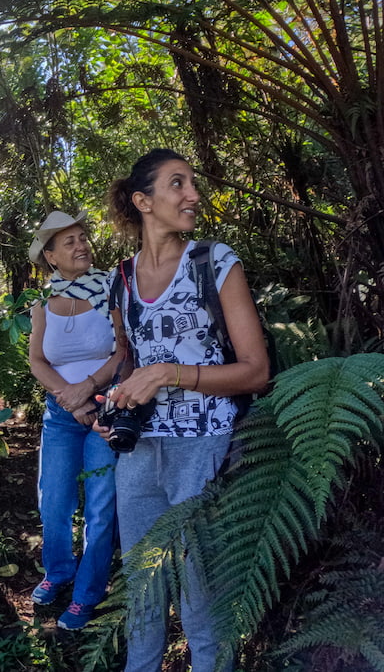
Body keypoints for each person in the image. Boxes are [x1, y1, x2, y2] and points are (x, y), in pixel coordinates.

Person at [104, 149, 268, 672]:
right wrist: (113, 399)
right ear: (143, 201)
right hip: (139, 452)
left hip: (205, 447)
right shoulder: (121, 279)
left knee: (201, 594)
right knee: (142, 590)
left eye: (192, 183)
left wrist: (170, 373)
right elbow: (127, 360)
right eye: (178, 184)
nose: (192, 195)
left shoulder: (214, 263)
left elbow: (255, 371)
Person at [26, 210, 124, 630]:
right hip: (63, 415)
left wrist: (89, 390)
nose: (81, 245)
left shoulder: (110, 289)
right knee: (54, 502)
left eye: (83, 237)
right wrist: (71, 402)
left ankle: (86, 594)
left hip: (107, 409)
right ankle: (59, 571)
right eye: (69, 242)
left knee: (101, 508)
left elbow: (123, 352)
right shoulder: (42, 306)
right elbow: (36, 361)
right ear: (51, 256)